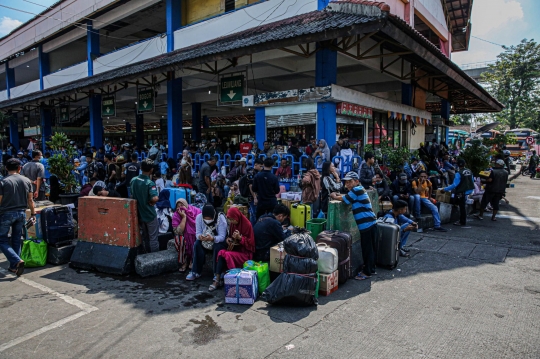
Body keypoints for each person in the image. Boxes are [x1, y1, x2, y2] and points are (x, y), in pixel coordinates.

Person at [330, 172, 377, 280]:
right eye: (346, 182)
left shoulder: (357, 190)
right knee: (370, 249)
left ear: (356, 181)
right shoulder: (357, 191)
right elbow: (346, 197)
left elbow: (344, 200)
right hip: (370, 224)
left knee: (367, 249)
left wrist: (333, 196)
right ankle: (371, 269)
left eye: (350, 181)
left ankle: (367, 272)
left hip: (367, 225)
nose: (348, 184)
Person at [0, 159, 35, 276]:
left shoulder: (3, 182)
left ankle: (16, 261)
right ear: (19, 168)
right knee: (16, 239)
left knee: (2, 240)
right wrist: (33, 214)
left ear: (6, 168)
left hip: (6, 214)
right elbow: (30, 200)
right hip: (21, 213)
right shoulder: (26, 181)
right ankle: (13, 267)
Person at [213, 207, 256, 291]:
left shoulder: (247, 224)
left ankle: (232, 279)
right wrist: (228, 240)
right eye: (230, 220)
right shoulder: (233, 224)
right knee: (221, 252)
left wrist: (240, 238)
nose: (232, 222)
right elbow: (230, 237)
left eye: (233, 219)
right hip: (235, 250)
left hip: (245, 254)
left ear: (237, 216)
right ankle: (217, 279)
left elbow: (251, 244)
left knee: (227, 254)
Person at [187, 205, 228, 283]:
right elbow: (197, 233)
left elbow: (222, 236)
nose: (207, 220)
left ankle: (217, 273)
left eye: (209, 219)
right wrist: (200, 237)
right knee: (197, 244)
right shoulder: (199, 218)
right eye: (205, 219)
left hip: (217, 241)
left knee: (218, 246)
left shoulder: (220, 218)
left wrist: (213, 238)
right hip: (205, 240)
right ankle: (195, 271)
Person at [131, 159, 160, 253]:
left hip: (139, 214)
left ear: (140, 168)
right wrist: (151, 201)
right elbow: (155, 198)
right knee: (153, 239)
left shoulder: (133, 180)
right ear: (151, 170)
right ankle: (154, 260)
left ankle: (146, 256)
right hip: (149, 214)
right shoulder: (149, 183)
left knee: (144, 237)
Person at [442, 159, 474, 226]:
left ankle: (462, 221)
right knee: (463, 206)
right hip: (468, 191)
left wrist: (445, 189)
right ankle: (462, 220)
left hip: (461, 192)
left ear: (457, 165)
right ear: (464, 164)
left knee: (462, 207)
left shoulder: (458, 174)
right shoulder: (469, 171)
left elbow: (454, 185)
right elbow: (472, 181)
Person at [173, 198, 202, 272]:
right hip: (183, 236)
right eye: (179, 206)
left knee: (196, 239)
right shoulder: (176, 215)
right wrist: (184, 217)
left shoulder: (196, 211)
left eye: (182, 205)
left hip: (195, 234)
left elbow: (200, 226)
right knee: (180, 239)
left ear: (186, 205)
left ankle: (193, 259)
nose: (181, 208)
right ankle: (184, 261)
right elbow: (179, 232)